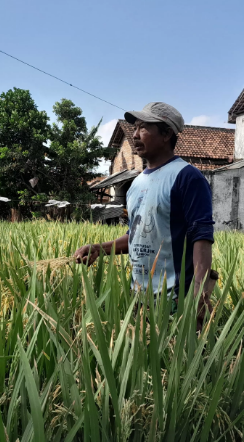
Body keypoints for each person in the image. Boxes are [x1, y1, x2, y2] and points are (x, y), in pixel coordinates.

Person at [73, 102, 216, 327]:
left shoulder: (187, 177)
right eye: (135, 128)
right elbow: (136, 235)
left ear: (167, 133)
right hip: (139, 297)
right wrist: (100, 249)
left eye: (143, 128)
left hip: (176, 299)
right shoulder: (136, 184)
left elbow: (202, 236)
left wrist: (199, 295)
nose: (135, 135)